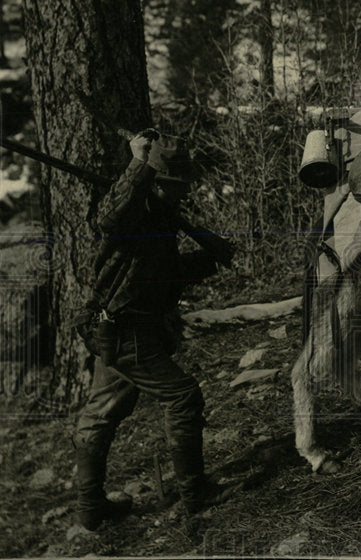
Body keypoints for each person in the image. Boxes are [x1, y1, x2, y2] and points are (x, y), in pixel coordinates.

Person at [72, 129, 232, 531]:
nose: (183, 193)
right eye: (176, 186)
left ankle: (91, 507)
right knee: (182, 396)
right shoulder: (133, 210)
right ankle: (195, 494)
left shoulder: (158, 216)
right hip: (125, 330)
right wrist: (137, 165)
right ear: (157, 182)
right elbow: (109, 217)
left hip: (123, 327)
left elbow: (158, 275)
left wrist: (210, 259)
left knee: (101, 412)